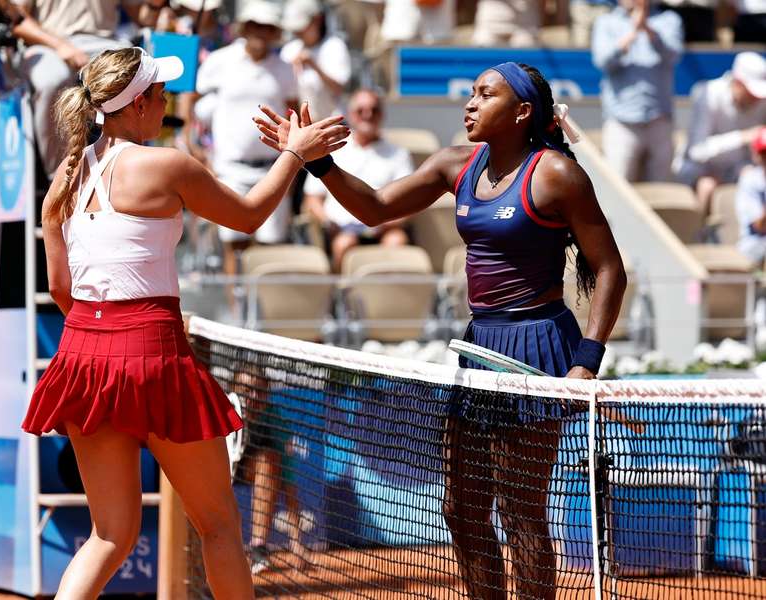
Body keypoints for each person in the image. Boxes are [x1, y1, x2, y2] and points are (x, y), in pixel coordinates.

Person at [257, 61, 627, 599]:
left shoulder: (556, 175)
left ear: (522, 112)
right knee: (461, 508)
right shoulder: (457, 163)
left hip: (538, 349)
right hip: (480, 348)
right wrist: (320, 164)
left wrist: (585, 361)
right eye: (471, 93)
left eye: (486, 95)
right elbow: (376, 208)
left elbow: (610, 267)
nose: (470, 103)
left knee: (520, 510)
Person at [20, 46, 347, 598]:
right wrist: (294, 153)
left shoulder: (66, 175)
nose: (167, 98)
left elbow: (60, 290)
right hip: (150, 353)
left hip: (81, 354)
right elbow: (247, 217)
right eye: (160, 91)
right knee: (219, 526)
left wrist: (106, 335)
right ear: (139, 104)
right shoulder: (165, 164)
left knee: (109, 536)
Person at [187, 0, 298, 279]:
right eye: (256, 25)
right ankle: (237, 315)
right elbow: (191, 96)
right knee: (233, 244)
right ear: (245, 27)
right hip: (229, 168)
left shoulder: (285, 69)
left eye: (267, 26)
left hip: (273, 167)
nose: (261, 31)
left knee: (270, 249)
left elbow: (294, 113)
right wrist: (192, 141)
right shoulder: (220, 60)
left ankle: (261, 316)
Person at [8, 0, 147, 178]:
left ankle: (129, 169)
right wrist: (61, 46)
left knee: (137, 71)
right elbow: (15, 20)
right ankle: (61, 179)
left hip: (105, 43)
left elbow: (141, 15)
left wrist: (156, 7)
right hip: (47, 44)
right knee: (51, 81)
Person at [302, 89, 413, 272]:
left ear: (382, 114)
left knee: (397, 242)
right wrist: (328, 223)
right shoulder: (333, 149)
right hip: (341, 230)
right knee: (345, 244)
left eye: (374, 110)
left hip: (384, 228)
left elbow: (409, 200)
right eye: (361, 110)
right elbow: (312, 198)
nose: (367, 115)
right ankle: (342, 296)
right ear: (350, 115)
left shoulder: (398, 154)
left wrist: (387, 225)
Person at [592, 0, 684, 183]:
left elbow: (673, 55)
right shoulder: (606, 22)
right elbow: (602, 61)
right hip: (622, 122)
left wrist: (648, 30)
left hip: (660, 121)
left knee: (662, 192)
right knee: (620, 192)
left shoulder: (669, 20)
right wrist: (633, 33)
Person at [231, 366, 306, 575]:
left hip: (248, 468)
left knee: (269, 458)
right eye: (247, 390)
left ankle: (258, 549)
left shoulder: (274, 419)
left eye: (260, 391)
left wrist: (297, 542)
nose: (254, 396)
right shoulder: (221, 411)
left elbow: (288, 481)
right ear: (235, 390)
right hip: (215, 468)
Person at [674, 51, 766, 216]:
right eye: (752, 93)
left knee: (753, 178)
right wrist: (743, 137)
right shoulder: (707, 93)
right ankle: (699, 236)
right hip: (700, 170)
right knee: (707, 186)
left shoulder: (761, 102)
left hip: (738, 169)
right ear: (738, 83)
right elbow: (697, 151)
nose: (757, 99)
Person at [280, 0, 351, 122]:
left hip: (330, 125)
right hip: (300, 127)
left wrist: (313, 65)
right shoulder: (289, 50)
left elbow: (338, 89)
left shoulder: (334, 46)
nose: (299, 32)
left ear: (317, 20)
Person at [735, 127, 766, 267]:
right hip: (754, 245)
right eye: (764, 153)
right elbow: (760, 226)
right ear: (756, 155)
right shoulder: (750, 180)